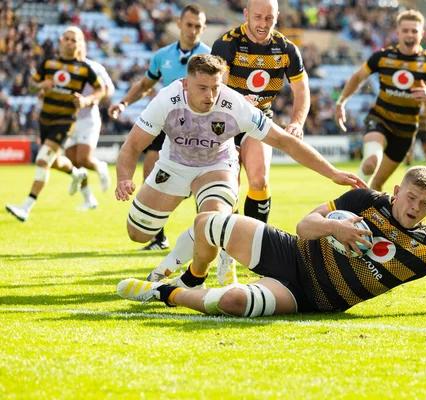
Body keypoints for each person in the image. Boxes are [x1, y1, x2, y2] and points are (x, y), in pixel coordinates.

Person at [117, 166, 426, 319]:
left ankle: (164, 293)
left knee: (233, 304)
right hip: (290, 251)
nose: (416, 208)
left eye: (425, 204)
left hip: (307, 296)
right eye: (410, 198)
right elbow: (303, 224)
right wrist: (336, 229)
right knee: (210, 220)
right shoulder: (365, 200)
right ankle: (194, 274)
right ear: (396, 192)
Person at [116, 54, 365, 289]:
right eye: (202, 88)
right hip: (174, 165)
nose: (210, 95)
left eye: (215, 87)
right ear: (185, 83)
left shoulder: (234, 104)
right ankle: (201, 247)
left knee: (211, 223)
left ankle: (181, 275)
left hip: (217, 166)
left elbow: (284, 141)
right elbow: (133, 145)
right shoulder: (166, 100)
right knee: (138, 233)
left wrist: (332, 172)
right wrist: (124, 178)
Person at [210, 0, 310, 283]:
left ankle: (255, 246)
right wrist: (237, 100)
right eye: (258, 17)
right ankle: (227, 252)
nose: (263, 24)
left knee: (259, 179)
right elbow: (216, 85)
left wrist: (297, 123)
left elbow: (302, 91)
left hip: (258, 120)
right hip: (224, 122)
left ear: (276, 17)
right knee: (231, 186)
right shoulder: (226, 44)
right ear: (246, 15)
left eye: (270, 18)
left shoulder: (287, 49)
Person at [109, 4, 211, 251]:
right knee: (151, 169)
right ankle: (158, 236)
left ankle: (209, 235)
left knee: (204, 182)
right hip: (169, 121)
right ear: (178, 24)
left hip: (200, 125)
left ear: (203, 28)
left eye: (198, 26)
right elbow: (145, 84)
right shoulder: (162, 56)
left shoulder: (209, 56)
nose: (192, 30)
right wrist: (123, 103)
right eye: (189, 24)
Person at [335, 9, 426, 192]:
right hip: (380, 119)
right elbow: (357, 77)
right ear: (398, 33)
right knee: (370, 163)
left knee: (377, 184)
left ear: (422, 34)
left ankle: (367, 214)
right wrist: (341, 102)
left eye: (414, 31)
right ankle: (348, 206)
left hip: (405, 130)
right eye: (405, 30)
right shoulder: (382, 57)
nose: (410, 35)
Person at [6, 27, 104, 222]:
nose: (69, 42)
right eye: (66, 39)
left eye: (73, 40)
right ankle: (76, 173)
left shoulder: (84, 68)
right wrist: (40, 87)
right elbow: (31, 86)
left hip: (65, 121)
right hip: (45, 119)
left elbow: (100, 90)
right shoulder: (49, 63)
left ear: (78, 44)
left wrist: (86, 101)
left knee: (42, 160)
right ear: (60, 41)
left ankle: (26, 207)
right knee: (56, 162)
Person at [64, 40, 115, 210]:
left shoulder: (94, 67)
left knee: (83, 159)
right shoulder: (65, 68)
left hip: (88, 118)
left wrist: (93, 98)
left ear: (83, 48)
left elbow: (109, 89)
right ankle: (88, 199)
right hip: (69, 118)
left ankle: (100, 166)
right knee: (73, 161)